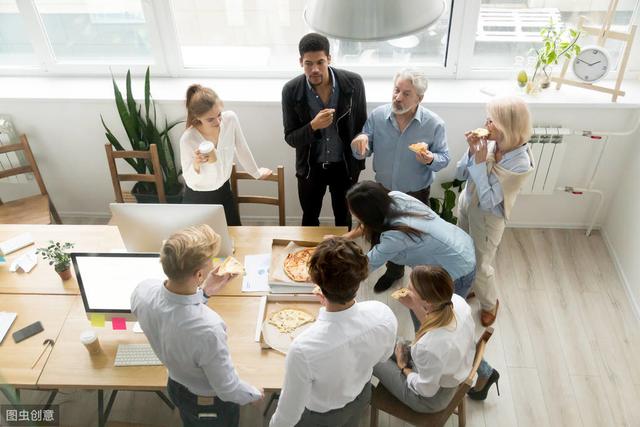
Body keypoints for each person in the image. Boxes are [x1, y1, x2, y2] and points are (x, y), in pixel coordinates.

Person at [131, 224, 263, 426]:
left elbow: (174, 313)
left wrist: (204, 293)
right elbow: (227, 389)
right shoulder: (208, 328)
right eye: (210, 263)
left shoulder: (142, 290)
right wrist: (253, 394)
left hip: (175, 386)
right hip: (208, 401)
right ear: (199, 275)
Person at [269, 238, 397, 427]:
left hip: (320, 417)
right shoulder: (383, 314)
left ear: (316, 283)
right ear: (360, 278)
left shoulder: (302, 349)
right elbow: (383, 356)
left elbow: (288, 416)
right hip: (361, 397)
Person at [351, 68, 450, 287]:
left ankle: (420, 279)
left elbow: (445, 157)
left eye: (406, 93)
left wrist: (431, 159)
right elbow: (364, 148)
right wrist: (359, 145)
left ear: (419, 98)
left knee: (415, 238)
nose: (398, 97)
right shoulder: (378, 116)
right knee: (383, 234)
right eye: (396, 90)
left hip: (415, 193)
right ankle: (394, 271)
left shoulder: (434, 124)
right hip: (383, 191)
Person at [373, 265, 499, 412]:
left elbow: (426, 390)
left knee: (372, 358)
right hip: (446, 367)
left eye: (411, 289)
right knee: (382, 338)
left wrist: (403, 367)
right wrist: (414, 305)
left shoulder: (429, 347)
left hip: (430, 398)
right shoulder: (457, 302)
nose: (406, 289)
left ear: (428, 302)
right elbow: (434, 325)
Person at [455, 96, 534, 327]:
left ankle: (490, 304)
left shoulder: (519, 163)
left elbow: (489, 202)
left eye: (493, 121)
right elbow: (461, 174)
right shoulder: (489, 142)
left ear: (508, 127)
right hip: (466, 203)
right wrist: (471, 153)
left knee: (481, 265)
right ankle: (469, 287)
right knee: (463, 252)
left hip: (488, 218)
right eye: (487, 119)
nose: (486, 125)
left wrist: (479, 164)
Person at [282, 33, 367, 227]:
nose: (315, 69)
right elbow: (291, 138)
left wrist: (363, 143)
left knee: (343, 219)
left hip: (344, 167)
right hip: (311, 169)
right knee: (310, 219)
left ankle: (341, 258)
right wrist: (313, 126)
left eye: (320, 62)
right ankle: (310, 258)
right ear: (300, 62)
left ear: (329, 58)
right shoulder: (291, 90)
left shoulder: (354, 83)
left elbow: (363, 125)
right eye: (308, 64)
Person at [338, 181, 475, 296]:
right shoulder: (395, 197)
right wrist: (346, 237)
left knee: (437, 316)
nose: (352, 214)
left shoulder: (395, 237)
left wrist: (332, 282)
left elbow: (367, 266)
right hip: (460, 242)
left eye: (353, 211)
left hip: (456, 266)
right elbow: (372, 222)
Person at [180, 84, 272, 226]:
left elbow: (241, 148)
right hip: (198, 197)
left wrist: (256, 172)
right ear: (197, 117)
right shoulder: (188, 139)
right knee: (201, 245)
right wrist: (196, 164)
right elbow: (189, 180)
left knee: (234, 236)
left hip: (224, 191)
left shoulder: (230, 120)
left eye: (219, 115)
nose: (218, 122)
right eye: (210, 119)